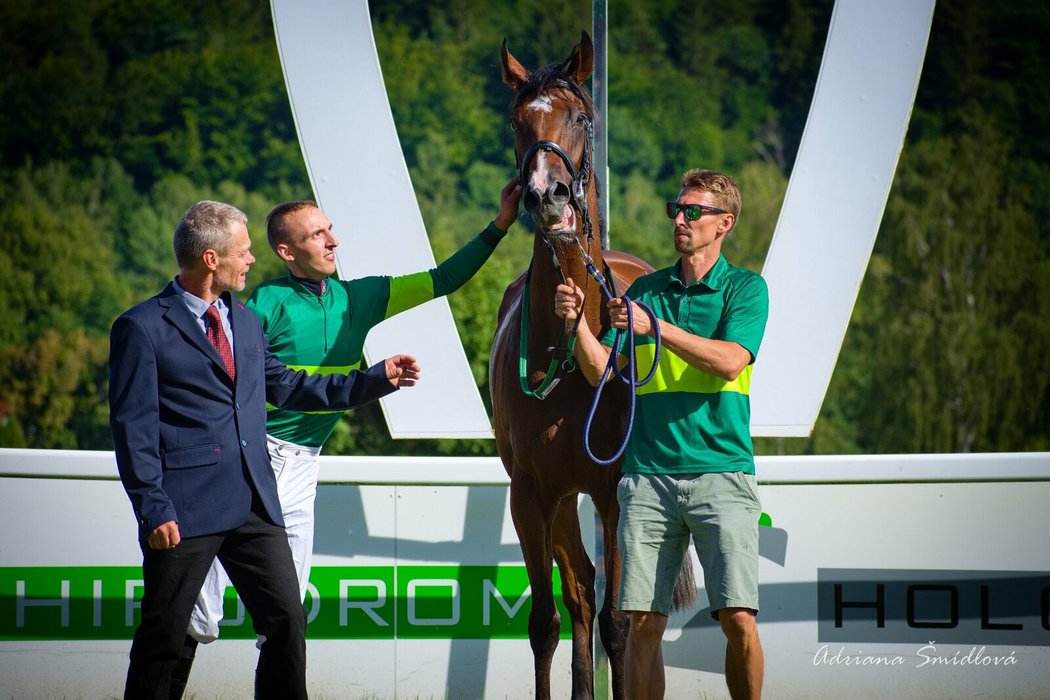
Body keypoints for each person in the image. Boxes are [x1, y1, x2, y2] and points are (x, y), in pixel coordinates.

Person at [182, 179, 522, 654]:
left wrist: (501, 223)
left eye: (330, 230)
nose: (333, 241)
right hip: (250, 465)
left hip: (304, 465)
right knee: (200, 615)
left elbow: (444, 279)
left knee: (286, 618)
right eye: (316, 234)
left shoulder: (358, 298)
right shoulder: (264, 304)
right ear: (286, 251)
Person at [109, 200, 420, 699]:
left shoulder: (245, 323)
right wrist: (152, 505)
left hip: (255, 501)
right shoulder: (142, 327)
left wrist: (372, 381)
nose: (252, 260)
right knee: (165, 635)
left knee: (287, 620)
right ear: (212, 259)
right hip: (184, 510)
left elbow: (293, 387)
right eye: (244, 252)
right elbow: (133, 427)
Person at [554, 169, 769, 699]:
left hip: (722, 472)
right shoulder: (647, 289)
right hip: (647, 480)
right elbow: (601, 368)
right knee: (642, 624)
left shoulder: (745, 289)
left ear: (725, 223)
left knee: (738, 618)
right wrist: (578, 324)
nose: (680, 219)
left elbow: (729, 362)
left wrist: (658, 328)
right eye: (676, 208)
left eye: (692, 212)